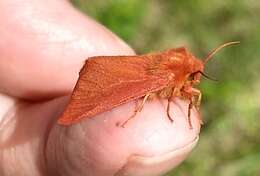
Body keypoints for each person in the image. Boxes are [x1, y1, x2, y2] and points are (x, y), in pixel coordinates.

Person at [0, 1, 200, 175]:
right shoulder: (168, 76)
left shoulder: (178, 77)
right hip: (113, 80)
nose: (195, 82)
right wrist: (139, 113)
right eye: (192, 77)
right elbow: (149, 93)